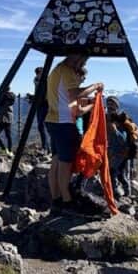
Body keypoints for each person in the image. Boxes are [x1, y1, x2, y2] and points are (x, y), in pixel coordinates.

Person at [45, 51, 103, 214]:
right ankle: (67, 200)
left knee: (56, 161)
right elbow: (75, 94)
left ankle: (56, 199)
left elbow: (76, 110)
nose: (81, 67)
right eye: (82, 62)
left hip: (52, 121)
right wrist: (95, 86)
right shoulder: (67, 71)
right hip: (64, 124)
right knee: (66, 164)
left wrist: (92, 104)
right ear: (77, 57)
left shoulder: (57, 70)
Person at [105, 96, 138, 197]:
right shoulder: (106, 118)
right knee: (117, 175)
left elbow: (123, 140)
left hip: (122, 153)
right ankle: (119, 194)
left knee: (119, 175)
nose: (110, 107)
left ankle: (123, 196)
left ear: (117, 107)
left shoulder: (121, 120)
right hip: (112, 152)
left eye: (112, 105)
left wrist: (115, 131)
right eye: (109, 104)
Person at [30, 67, 50, 153]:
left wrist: (34, 99)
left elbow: (44, 95)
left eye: (38, 73)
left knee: (43, 126)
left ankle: (46, 147)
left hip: (45, 105)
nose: (37, 75)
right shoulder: (37, 81)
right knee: (41, 126)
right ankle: (46, 147)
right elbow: (39, 94)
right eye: (36, 73)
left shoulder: (45, 81)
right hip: (40, 105)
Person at [0, 85, 16, 156]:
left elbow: (0, 102)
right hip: (8, 118)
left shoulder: (4, 96)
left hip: (3, 118)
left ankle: (4, 149)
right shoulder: (11, 96)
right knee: (8, 135)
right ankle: (9, 150)